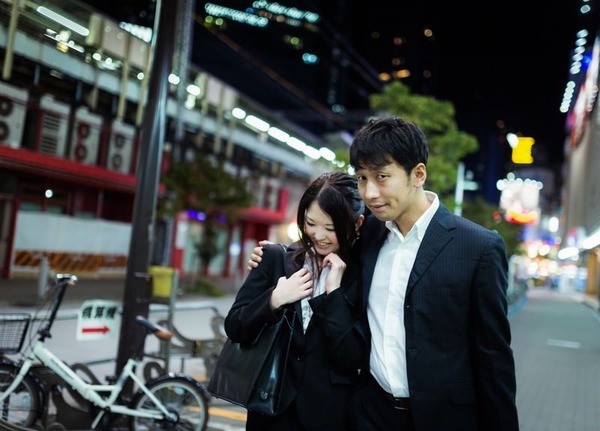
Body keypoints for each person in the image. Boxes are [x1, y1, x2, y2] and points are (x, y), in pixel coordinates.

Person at [249, 117, 520, 431]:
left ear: (418, 174)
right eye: (362, 178)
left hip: (443, 419)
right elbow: (322, 239)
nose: (370, 193)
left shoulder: (477, 247)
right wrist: (273, 254)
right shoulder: (368, 235)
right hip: (369, 414)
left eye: (381, 177)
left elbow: (493, 358)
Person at [225, 171, 369, 431]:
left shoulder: (362, 276)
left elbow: (352, 358)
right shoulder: (274, 258)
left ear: (357, 224)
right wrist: (274, 299)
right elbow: (235, 327)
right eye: (311, 223)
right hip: (270, 410)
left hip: (327, 417)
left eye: (331, 228)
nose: (318, 235)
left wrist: (334, 295)